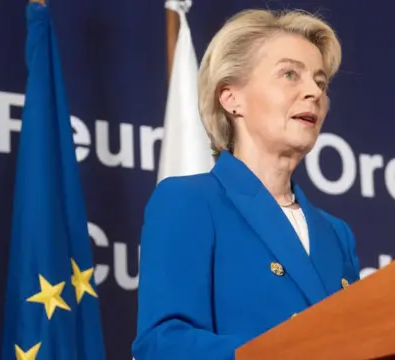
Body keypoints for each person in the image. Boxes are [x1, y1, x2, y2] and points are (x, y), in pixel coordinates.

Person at [132, 8, 361, 360]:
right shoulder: (189, 201)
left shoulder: (336, 234)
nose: (313, 92)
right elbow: (163, 344)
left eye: (321, 82)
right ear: (231, 98)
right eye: (289, 74)